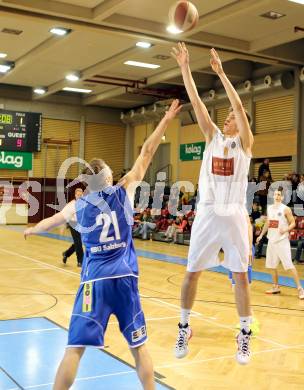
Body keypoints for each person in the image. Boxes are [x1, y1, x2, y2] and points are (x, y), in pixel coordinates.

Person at [24, 99, 182, 390]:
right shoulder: (124, 191)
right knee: (139, 347)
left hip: (93, 283)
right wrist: (166, 119)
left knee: (74, 348)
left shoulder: (79, 205)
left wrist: (34, 229)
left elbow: (55, 219)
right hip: (124, 278)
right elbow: (148, 150)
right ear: (107, 177)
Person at [171, 42, 254, 364]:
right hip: (207, 213)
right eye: (230, 115)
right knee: (192, 273)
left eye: (234, 115)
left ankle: (244, 333)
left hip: (233, 214)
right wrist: (184, 68)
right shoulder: (212, 137)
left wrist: (221, 73)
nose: (229, 116)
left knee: (242, 276)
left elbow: (237, 103)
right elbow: (196, 101)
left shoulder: (245, 144)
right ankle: (183, 326)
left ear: (242, 123)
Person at [257, 187, 304, 299]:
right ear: (273, 196)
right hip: (271, 241)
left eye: (279, 195)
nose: (277, 196)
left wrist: (286, 229)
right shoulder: (269, 208)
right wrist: (261, 235)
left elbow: (293, 223)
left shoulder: (286, 209)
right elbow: (268, 223)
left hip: (282, 241)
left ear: (282, 197)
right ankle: (276, 287)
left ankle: (300, 289)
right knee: (272, 266)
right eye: (276, 194)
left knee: (289, 266)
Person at [62, 187, 84, 267]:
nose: (79, 196)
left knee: (78, 243)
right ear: (75, 195)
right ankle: (80, 261)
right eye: (78, 195)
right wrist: (64, 225)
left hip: (81, 225)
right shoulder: (71, 204)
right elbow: (65, 215)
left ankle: (66, 253)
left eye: (81, 195)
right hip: (73, 224)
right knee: (78, 242)